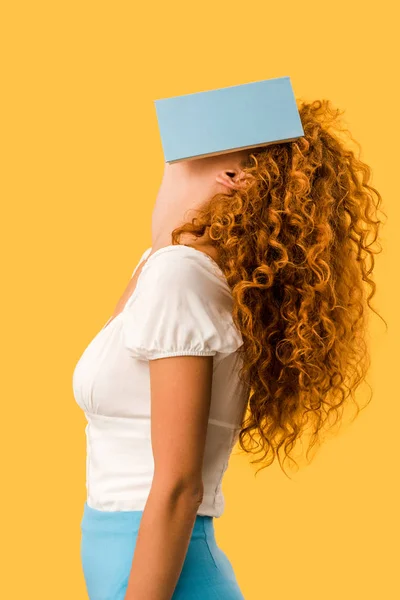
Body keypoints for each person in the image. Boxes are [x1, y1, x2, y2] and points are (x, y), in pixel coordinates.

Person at [72, 99, 385, 600]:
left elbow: (179, 487)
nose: (175, 150)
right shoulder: (165, 264)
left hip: (164, 578)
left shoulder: (180, 274)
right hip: (131, 564)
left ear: (235, 176)